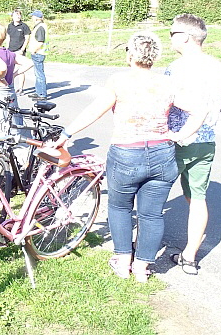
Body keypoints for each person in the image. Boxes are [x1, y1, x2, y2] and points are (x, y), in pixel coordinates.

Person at [53, 32, 205, 283]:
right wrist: (179, 135)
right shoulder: (168, 83)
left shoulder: (119, 81)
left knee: (120, 208)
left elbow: (95, 110)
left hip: (126, 153)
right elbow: (200, 109)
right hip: (162, 153)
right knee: (152, 214)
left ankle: (123, 262)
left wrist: (67, 133)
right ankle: (142, 268)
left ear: (131, 55)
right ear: (154, 56)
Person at [165, 13, 221, 276]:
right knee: (197, 199)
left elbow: (165, 102)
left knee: (154, 196)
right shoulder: (219, 68)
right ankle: (189, 258)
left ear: (185, 37)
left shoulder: (176, 68)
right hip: (205, 141)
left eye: (172, 33)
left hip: (176, 139)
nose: (169, 38)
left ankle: (141, 251)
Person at [5, 9, 31, 94]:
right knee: (9, 69)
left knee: (21, 70)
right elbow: (8, 38)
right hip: (10, 50)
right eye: (16, 15)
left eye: (19, 15)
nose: (18, 16)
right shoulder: (10, 26)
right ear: (12, 16)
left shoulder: (24, 26)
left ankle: (20, 88)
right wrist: (7, 48)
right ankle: (10, 86)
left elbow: (27, 39)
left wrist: (22, 50)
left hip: (19, 50)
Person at [28, 10, 48, 100]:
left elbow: (40, 42)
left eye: (33, 16)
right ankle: (38, 92)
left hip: (38, 53)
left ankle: (42, 94)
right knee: (37, 73)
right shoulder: (40, 26)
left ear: (36, 18)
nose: (32, 18)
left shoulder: (40, 27)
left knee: (39, 74)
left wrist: (34, 51)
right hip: (39, 53)